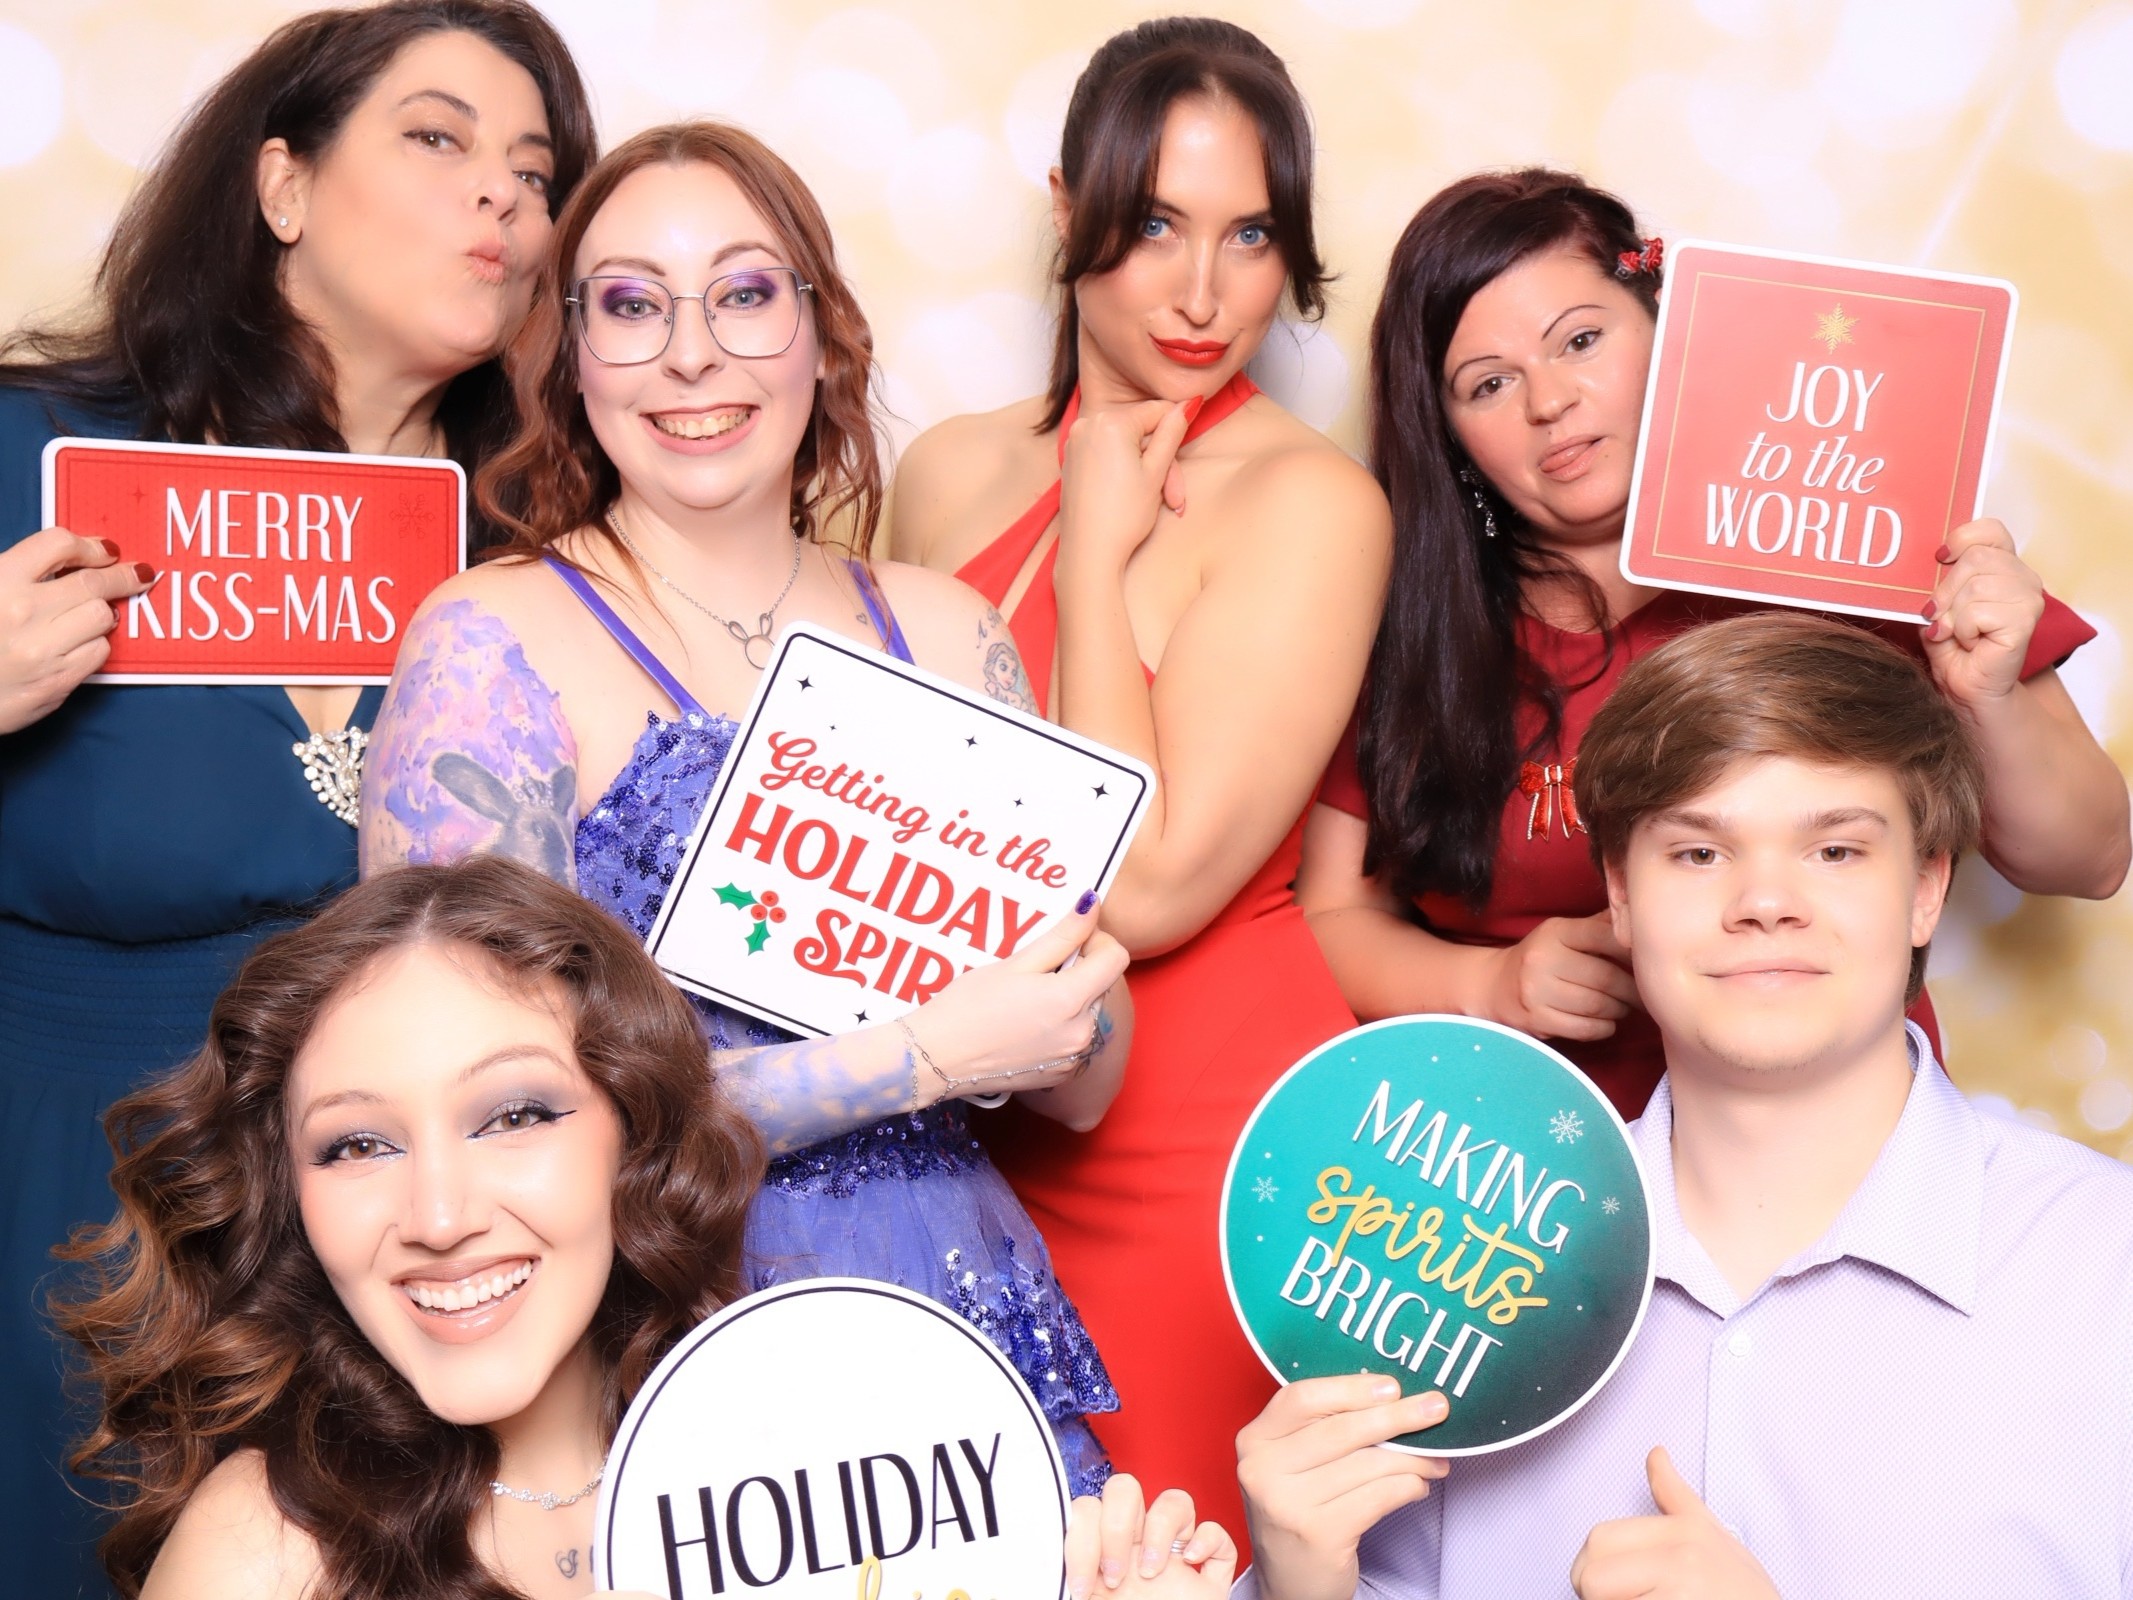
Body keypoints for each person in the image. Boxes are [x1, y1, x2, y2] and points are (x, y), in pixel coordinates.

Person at [359, 122, 1132, 1493]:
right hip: (656, 1339)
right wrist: (925, 1055)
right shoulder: (489, 641)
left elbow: (1088, 1086)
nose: (692, 353)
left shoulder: (952, 634)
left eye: (743, 293)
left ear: (821, 335)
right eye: (632, 305)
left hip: (952, 1318)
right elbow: (465, 1120)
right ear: (570, 354)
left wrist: (1067, 1001)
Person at [0, 5, 594, 1587]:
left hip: (397, 1291)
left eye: (535, 177)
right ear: (279, 186)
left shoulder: (547, 575)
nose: (504, 202)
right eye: (440, 138)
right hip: (49, 1244)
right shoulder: (27, 458)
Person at [1236, 612, 2133, 1598]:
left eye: (1835, 851)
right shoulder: (1454, 1265)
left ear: (1926, 888)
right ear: (1618, 892)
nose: (1764, 900)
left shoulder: (2104, 1271)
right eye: (1699, 854)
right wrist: (1300, 1587)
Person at [52, 854, 1237, 1600]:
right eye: (358, 1143)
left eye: (514, 1114)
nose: (441, 1216)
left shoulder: (843, 1484)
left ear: (636, 1131)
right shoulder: (270, 1551)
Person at [1299, 168, 2128, 1117]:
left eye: (1580, 339)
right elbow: (1328, 915)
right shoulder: (1402, 620)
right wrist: (1486, 986)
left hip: (1835, 1145)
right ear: (1444, 436)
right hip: (1528, 1188)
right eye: (1487, 384)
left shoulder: (1855, 528)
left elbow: (2091, 858)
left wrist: (1988, 696)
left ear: (1669, 327)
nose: (1550, 401)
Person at [888, 18, 1390, 1534]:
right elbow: (881, 792)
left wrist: (1097, 563)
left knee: (1168, 1552)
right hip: (954, 1122)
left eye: (1249, 237)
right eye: (1158, 223)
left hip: (1198, 1162)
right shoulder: (947, 470)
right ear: (1067, 209)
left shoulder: (1313, 503)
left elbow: (1150, 881)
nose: (1200, 290)